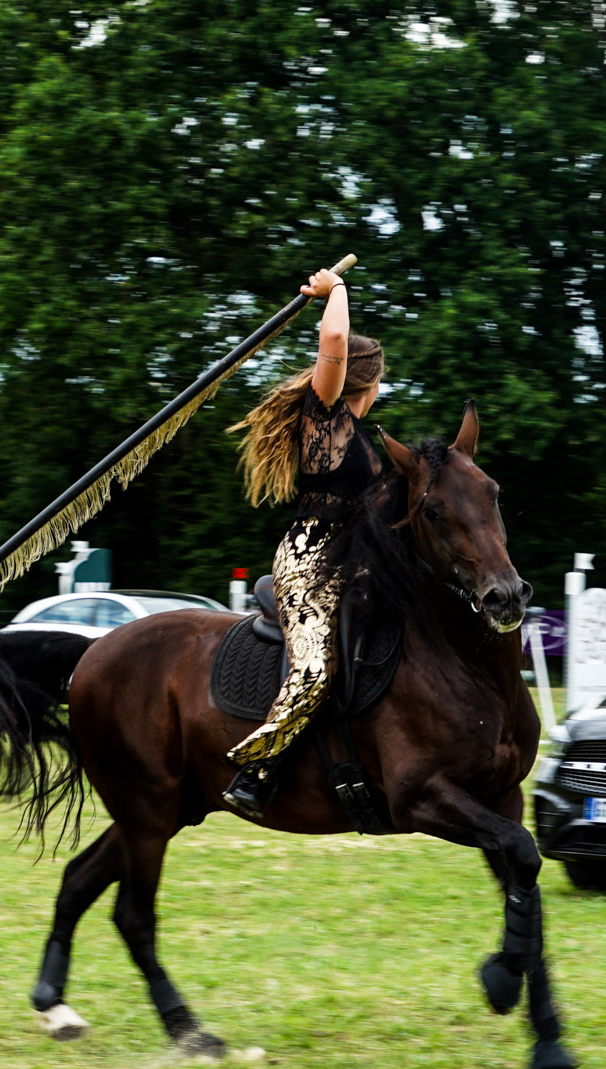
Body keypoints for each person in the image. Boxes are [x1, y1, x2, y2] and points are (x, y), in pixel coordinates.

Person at [220, 266, 387, 817]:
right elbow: (334, 336)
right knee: (314, 672)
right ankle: (256, 771)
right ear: (372, 383)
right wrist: (335, 289)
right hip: (310, 564)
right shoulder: (327, 418)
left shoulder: (363, 440)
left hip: (357, 566)